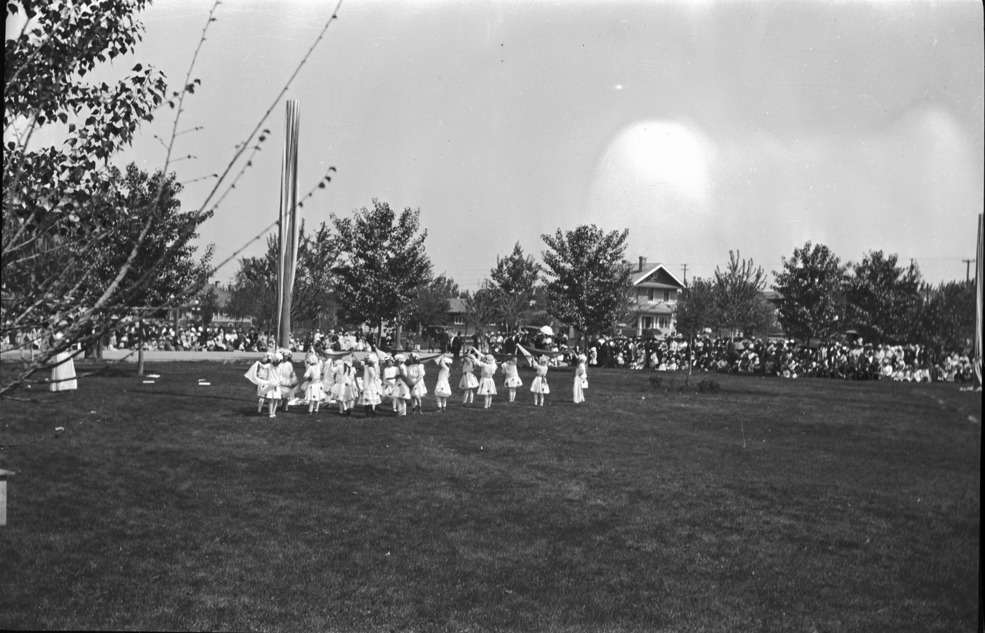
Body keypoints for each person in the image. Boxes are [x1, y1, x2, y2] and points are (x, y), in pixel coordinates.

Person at [244, 351, 282, 418]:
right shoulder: (269, 365)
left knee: (276, 399)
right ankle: (270, 413)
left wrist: (279, 382)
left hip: (277, 385)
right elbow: (263, 366)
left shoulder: (279, 367)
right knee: (271, 400)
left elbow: (280, 376)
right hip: (270, 384)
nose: (277, 363)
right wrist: (258, 363)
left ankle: (273, 412)